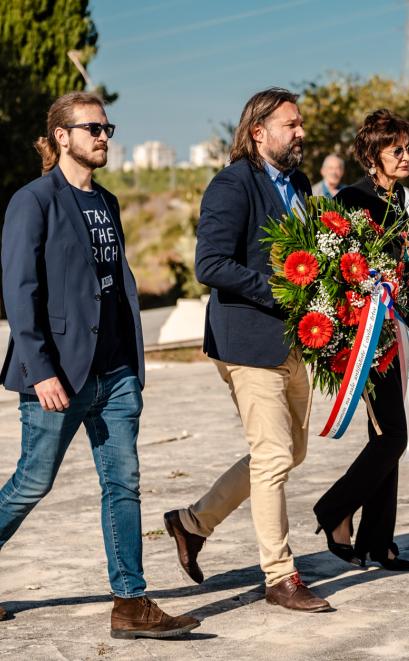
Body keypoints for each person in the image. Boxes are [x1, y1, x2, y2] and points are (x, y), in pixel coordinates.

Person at [0, 91, 198, 639]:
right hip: (58, 373)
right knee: (34, 479)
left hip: (116, 372)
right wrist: (40, 369)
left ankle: (130, 602)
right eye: (93, 129)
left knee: (123, 483)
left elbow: (113, 286)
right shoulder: (33, 201)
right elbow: (21, 292)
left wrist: (132, 363)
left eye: (108, 129)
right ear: (62, 136)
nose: (104, 137)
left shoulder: (107, 203)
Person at [162, 88, 331, 613]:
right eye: (291, 124)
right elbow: (209, 264)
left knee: (289, 452)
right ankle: (280, 577)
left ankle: (192, 523)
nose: (301, 132)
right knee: (275, 455)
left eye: (300, 123)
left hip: (295, 340)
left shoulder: (299, 184)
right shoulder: (232, 184)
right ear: (258, 132)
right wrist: (280, 290)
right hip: (247, 340)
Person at [313, 109, 409, 572]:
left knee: (386, 433)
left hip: (398, 332)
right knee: (394, 435)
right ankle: (334, 509)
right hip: (365, 336)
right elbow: (335, 273)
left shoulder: (400, 199)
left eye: (408, 147)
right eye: (396, 149)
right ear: (373, 155)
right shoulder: (351, 200)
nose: (405, 156)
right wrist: (353, 332)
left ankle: (377, 543)